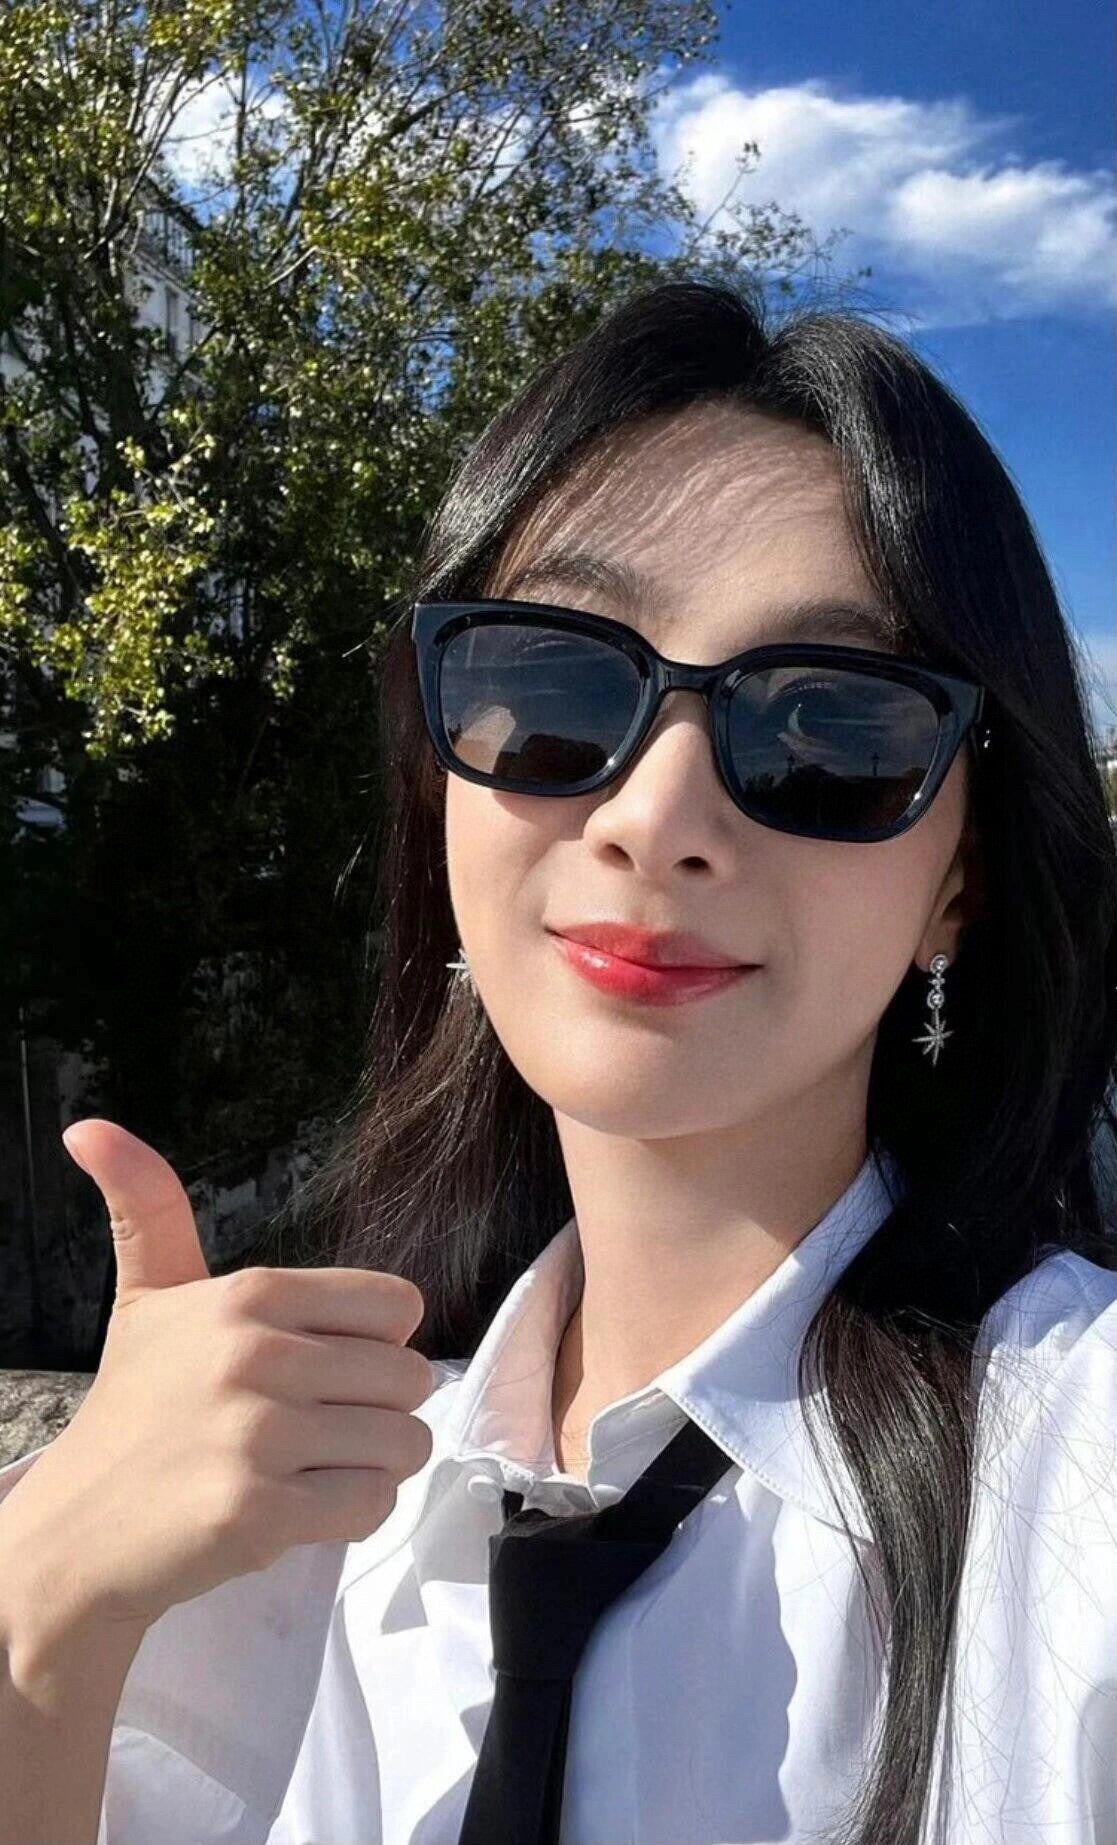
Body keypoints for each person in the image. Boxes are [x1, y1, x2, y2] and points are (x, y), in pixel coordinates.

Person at [1, 276, 1115, 1845]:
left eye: (827, 732)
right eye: (554, 691)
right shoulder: (291, 1520)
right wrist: (43, 1606)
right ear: (441, 791)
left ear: (959, 878)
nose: (653, 816)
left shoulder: (1075, 1487)